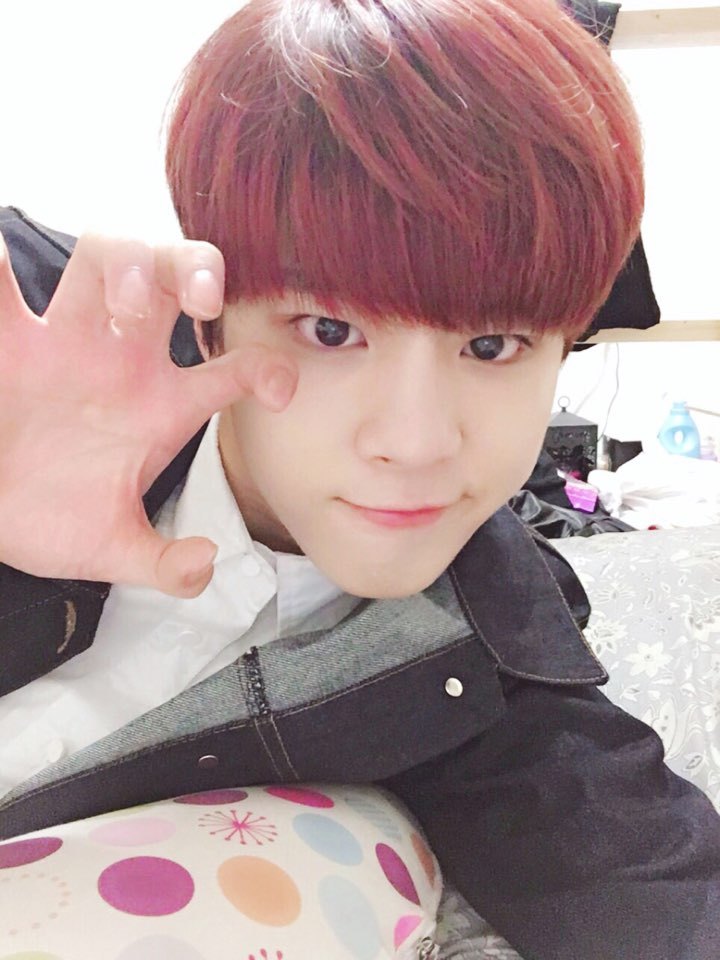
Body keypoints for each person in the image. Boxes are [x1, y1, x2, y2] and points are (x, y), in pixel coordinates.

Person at [0, 1, 719, 957]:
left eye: (493, 345)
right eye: (332, 331)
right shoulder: (26, 339)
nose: (415, 443)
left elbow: (647, 882)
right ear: (213, 317)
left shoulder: (487, 660)